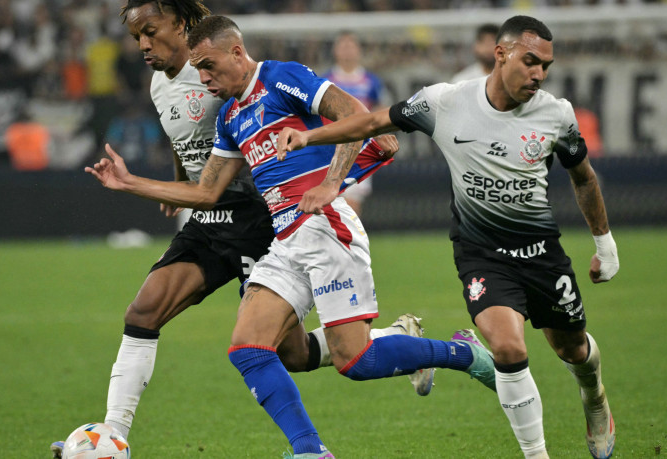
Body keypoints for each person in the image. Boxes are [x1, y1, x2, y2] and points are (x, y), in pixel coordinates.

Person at [85, 15, 496, 458]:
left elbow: (356, 117)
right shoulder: (229, 117)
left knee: (355, 362)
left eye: (209, 66)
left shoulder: (282, 77)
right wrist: (131, 184)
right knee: (248, 348)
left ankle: (462, 354)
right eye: (198, 69)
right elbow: (205, 192)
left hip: (326, 228)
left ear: (237, 53)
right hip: (284, 238)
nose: (202, 78)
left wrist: (331, 183)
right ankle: (310, 451)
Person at [277, 15, 619, 459]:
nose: (538, 74)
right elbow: (371, 123)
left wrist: (604, 244)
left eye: (545, 66)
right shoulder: (445, 101)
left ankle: (594, 398)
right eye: (530, 61)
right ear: (501, 54)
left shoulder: (557, 115)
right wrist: (309, 137)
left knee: (572, 349)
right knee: (508, 347)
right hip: (482, 256)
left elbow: (585, 179)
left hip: (541, 255)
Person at [322, 31, 387, 216]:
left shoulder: (371, 81)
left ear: (358, 50)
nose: (347, 51)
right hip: (331, 148)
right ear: (335, 51)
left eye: (351, 46)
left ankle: (350, 243)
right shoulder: (326, 80)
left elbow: (381, 111)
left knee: (352, 205)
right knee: (330, 203)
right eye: (343, 46)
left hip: (361, 147)